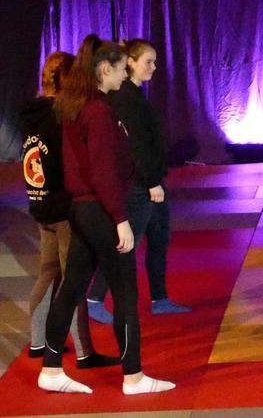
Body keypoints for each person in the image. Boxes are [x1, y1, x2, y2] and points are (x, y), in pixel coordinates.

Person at [39, 35, 174, 395]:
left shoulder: (77, 106)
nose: (123, 75)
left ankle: (51, 368)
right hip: (99, 209)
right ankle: (134, 376)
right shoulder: (97, 111)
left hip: (83, 208)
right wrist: (120, 218)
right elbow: (103, 171)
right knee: (125, 291)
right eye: (119, 69)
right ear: (104, 70)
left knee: (72, 287)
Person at [21, 52, 118, 368]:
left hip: (40, 202)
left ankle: (38, 341)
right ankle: (84, 352)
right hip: (63, 207)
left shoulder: (31, 115)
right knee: (73, 278)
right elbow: (71, 161)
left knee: (48, 272)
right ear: (66, 78)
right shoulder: (62, 116)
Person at [87, 39, 189, 323]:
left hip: (150, 179)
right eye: (148, 62)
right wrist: (151, 182)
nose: (154, 67)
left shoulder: (133, 96)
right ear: (130, 63)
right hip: (140, 184)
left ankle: (160, 298)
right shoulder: (125, 98)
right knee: (128, 242)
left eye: (154, 62)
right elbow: (135, 146)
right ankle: (95, 298)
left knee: (159, 238)